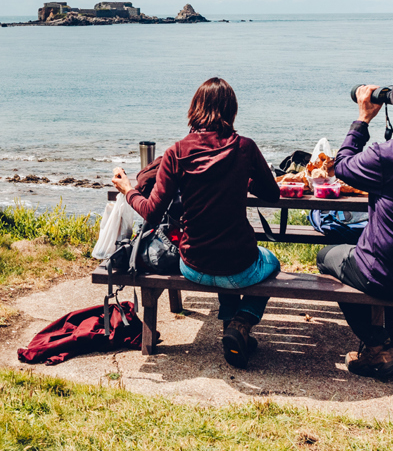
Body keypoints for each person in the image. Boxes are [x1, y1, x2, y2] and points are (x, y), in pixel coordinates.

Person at [112, 77, 280, 369]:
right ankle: (241, 321)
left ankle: (232, 330)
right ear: (232, 111)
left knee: (219, 259)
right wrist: (242, 178)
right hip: (239, 266)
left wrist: (129, 191)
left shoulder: (177, 152)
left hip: (193, 267)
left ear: (195, 110)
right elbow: (272, 194)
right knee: (271, 262)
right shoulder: (245, 148)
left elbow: (151, 212)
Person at [317, 67, 393, 379]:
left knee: (326, 257)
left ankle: (377, 348)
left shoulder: (388, 156)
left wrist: (362, 119)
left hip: (386, 275)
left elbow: (341, 167)